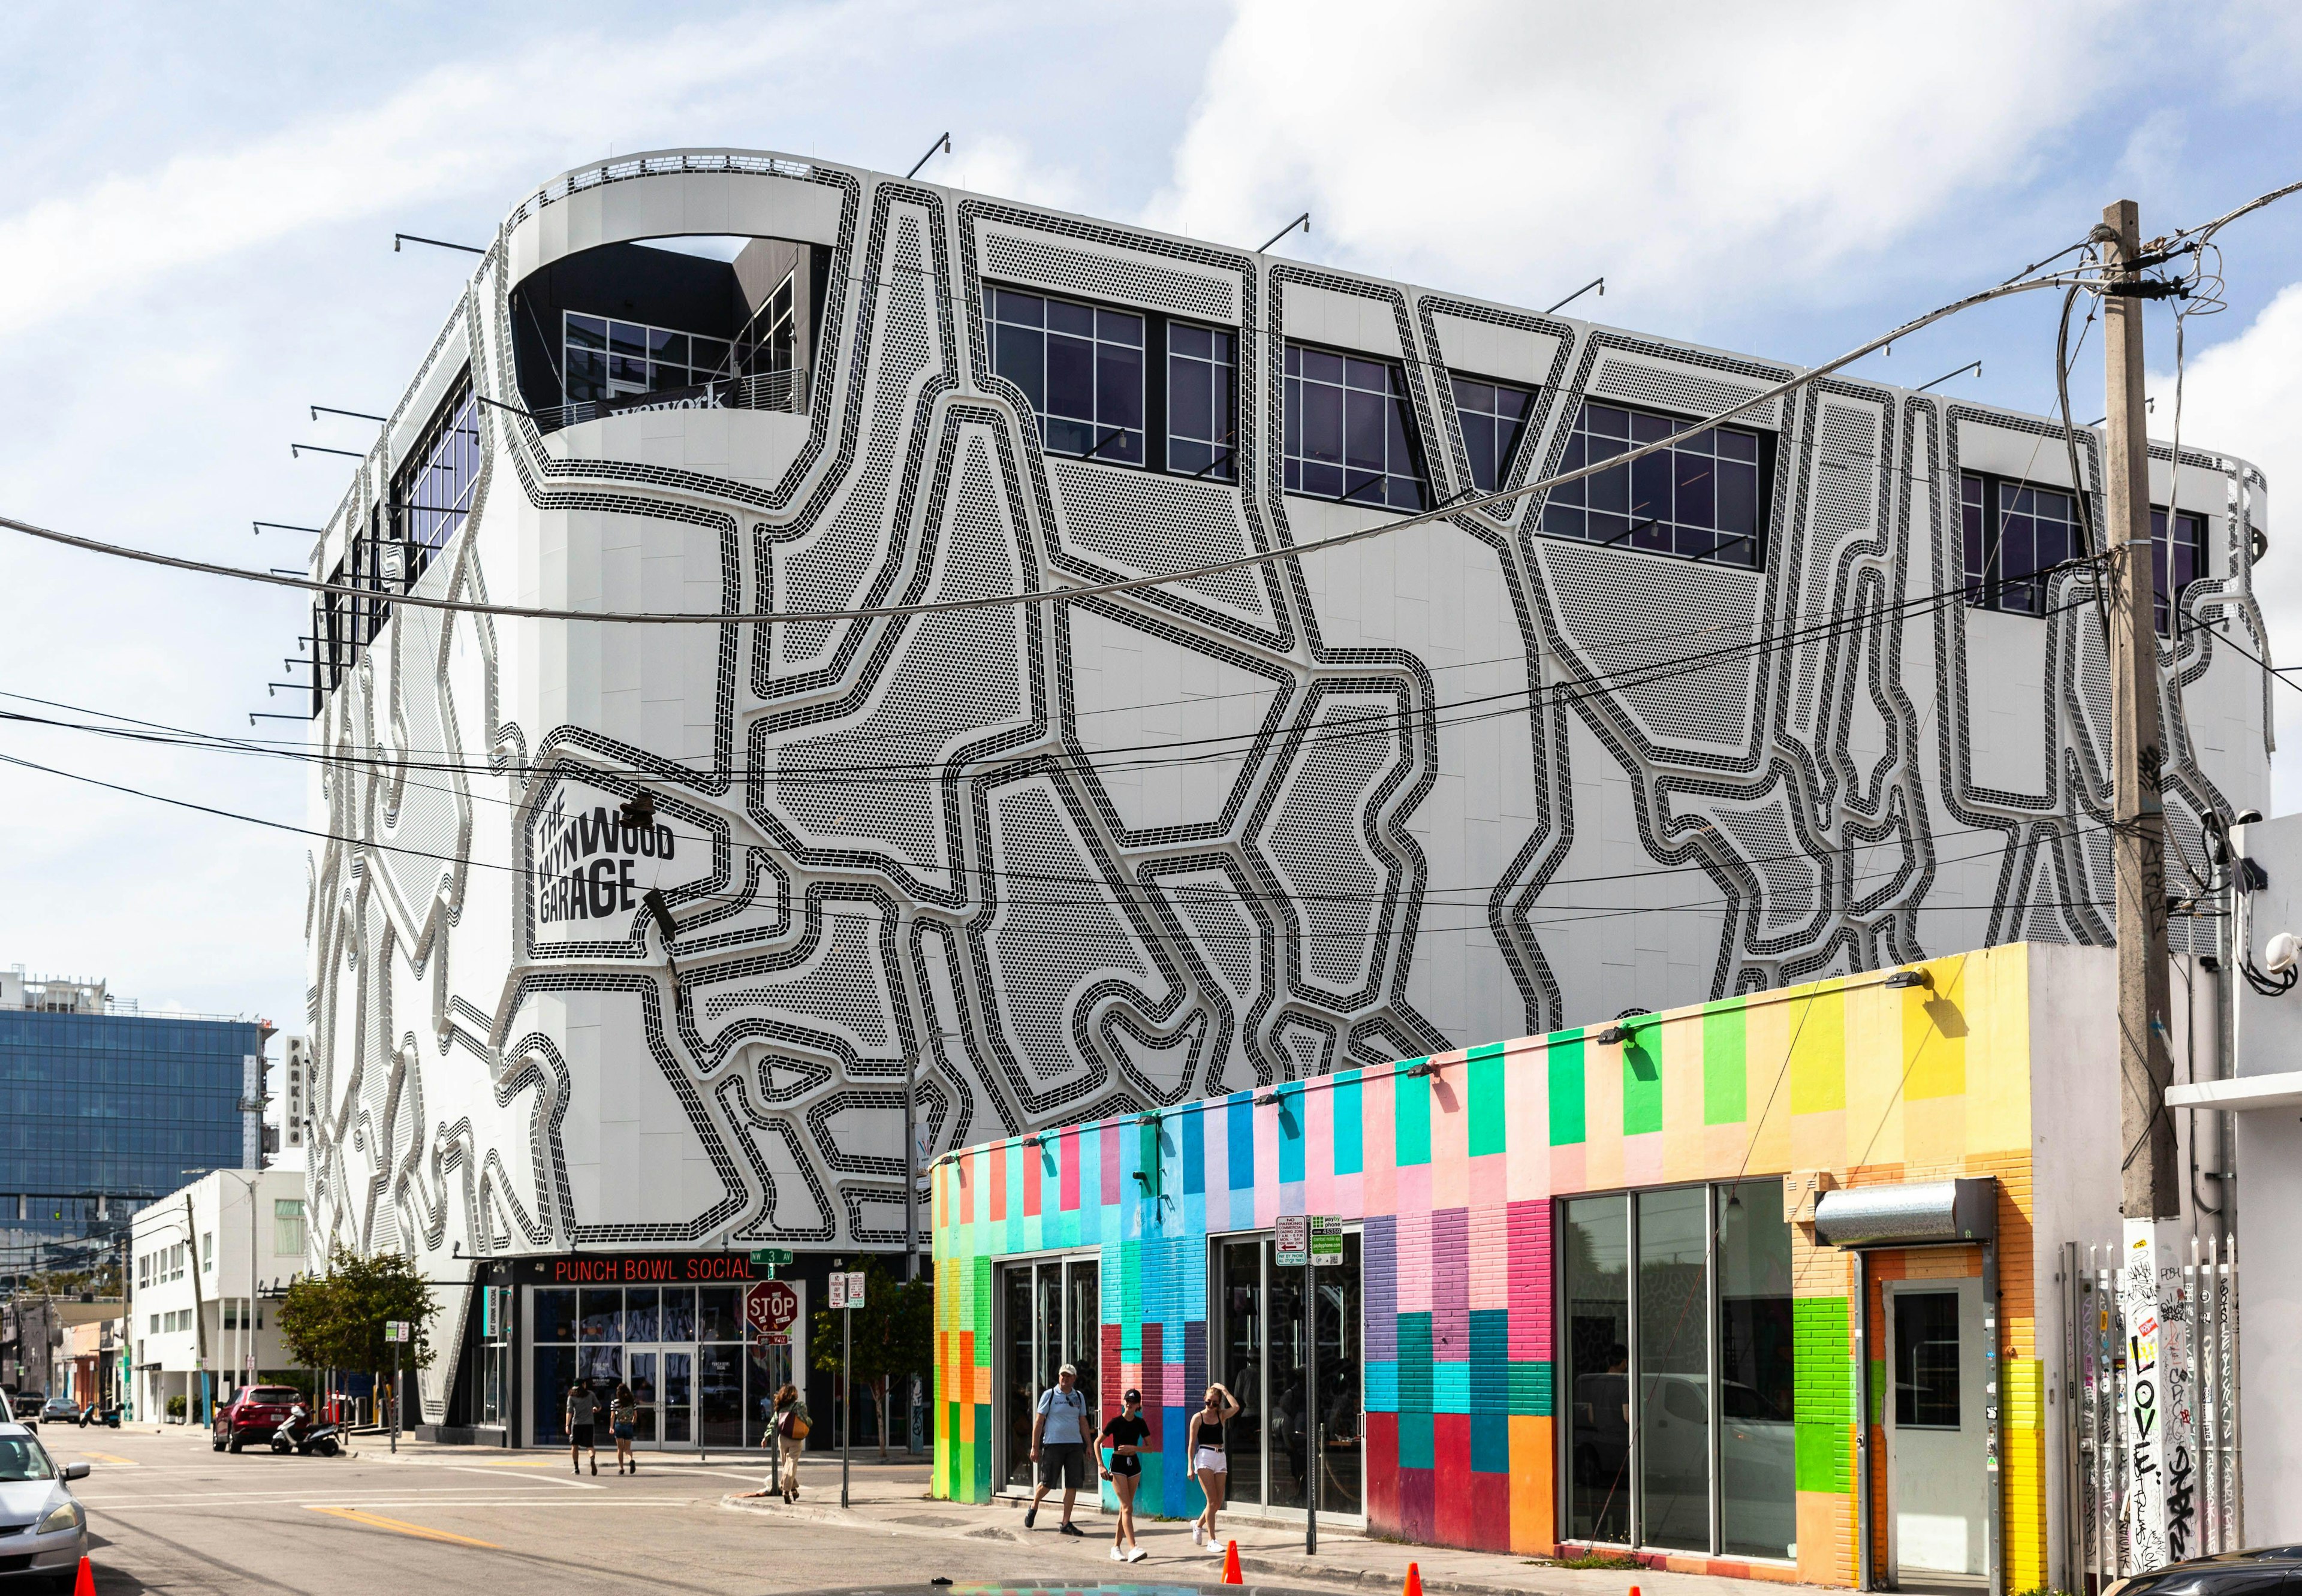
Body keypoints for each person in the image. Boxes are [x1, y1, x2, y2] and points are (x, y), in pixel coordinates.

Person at [1024, 1363, 1091, 1535]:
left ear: (1074, 1379)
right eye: (1062, 1375)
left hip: (1074, 1445)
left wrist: (1088, 1445)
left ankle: (1066, 1522)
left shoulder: (1079, 1397)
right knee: (1047, 1483)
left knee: (1072, 1484)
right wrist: (1035, 1447)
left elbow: (1083, 1422)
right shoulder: (1050, 1395)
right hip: (1053, 1445)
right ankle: (1034, 1505)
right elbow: (1039, 1422)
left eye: (1068, 1376)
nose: (1065, 1378)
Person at [1097, 1387, 1150, 1562]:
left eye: (1133, 1402)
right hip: (1118, 1465)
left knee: (1124, 1508)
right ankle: (1133, 1548)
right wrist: (1101, 1466)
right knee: (1127, 1507)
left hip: (1134, 1465)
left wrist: (1133, 1448)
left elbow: (1150, 1448)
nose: (1129, 1404)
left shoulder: (1140, 1423)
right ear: (1124, 1402)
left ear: (1138, 1406)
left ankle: (1116, 1547)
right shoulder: (1116, 1422)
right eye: (1127, 1400)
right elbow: (1098, 1443)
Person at [1191, 1381, 1240, 1550]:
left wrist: (1225, 1390)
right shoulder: (1198, 1418)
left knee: (1217, 1503)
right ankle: (1212, 1540)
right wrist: (1190, 1466)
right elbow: (1191, 1444)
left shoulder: (1221, 1416)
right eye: (1208, 1402)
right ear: (1204, 1399)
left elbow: (1236, 1407)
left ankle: (1198, 1525)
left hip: (1220, 1456)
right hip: (1204, 1456)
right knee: (1211, 1501)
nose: (1211, 1406)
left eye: (1215, 1403)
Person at [769, 1383, 809, 1503]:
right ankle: (785, 1491)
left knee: (786, 1466)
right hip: (795, 1439)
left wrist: (766, 1437)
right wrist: (810, 1423)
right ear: (793, 1394)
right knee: (791, 1465)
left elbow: (773, 1423)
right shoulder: (800, 1406)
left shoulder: (780, 1408)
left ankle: (794, 1491)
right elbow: (805, 1419)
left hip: (782, 1439)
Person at [567, 1380, 602, 1476]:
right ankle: (592, 1459)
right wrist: (595, 1409)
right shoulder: (590, 1394)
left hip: (577, 1424)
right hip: (589, 1424)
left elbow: (569, 1412)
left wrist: (567, 1425)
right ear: (583, 1385)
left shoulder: (572, 1396)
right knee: (590, 1446)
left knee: (575, 1446)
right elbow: (599, 1407)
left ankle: (576, 1468)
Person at [610, 1381, 638, 1475]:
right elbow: (635, 1416)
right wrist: (631, 1423)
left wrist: (611, 1427)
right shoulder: (632, 1403)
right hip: (628, 1426)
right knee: (628, 1448)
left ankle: (621, 1468)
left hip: (619, 1425)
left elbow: (613, 1416)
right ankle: (631, 1460)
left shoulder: (615, 1402)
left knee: (620, 1449)